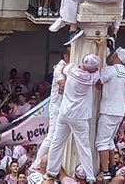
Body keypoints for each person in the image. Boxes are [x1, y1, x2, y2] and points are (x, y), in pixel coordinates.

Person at [44, 54, 101, 183]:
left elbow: (63, 69)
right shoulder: (91, 77)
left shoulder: (71, 70)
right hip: (79, 117)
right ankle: (90, 177)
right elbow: (97, 74)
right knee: (84, 147)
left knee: (57, 143)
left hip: (64, 113)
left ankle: (51, 171)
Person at [31, 47, 70, 171]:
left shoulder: (68, 68)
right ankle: (36, 163)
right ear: (66, 56)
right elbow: (62, 84)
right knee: (52, 135)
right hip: (57, 107)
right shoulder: (59, 68)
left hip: (67, 108)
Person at [96, 47, 125, 181]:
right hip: (118, 111)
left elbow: (98, 80)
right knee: (109, 141)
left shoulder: (113, 70)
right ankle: (112, 167)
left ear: (117, 56)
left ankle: (105, 171)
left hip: (109, 110)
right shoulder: (123, 71)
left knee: (101, 142)